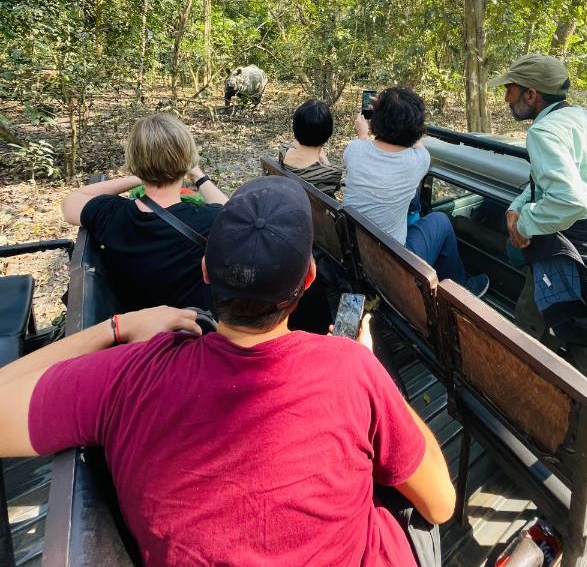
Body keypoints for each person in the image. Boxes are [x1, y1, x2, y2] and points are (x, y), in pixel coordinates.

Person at [1, 176, 455, 566]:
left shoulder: (133, 375)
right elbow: (440, 504)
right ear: (310, 278)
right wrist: (372, 371)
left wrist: (119, 327)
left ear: (204, 271)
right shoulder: (351, 370)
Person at [488, 53, 587, 390]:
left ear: (531, 94)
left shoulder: (544, 132)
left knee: (532, 336)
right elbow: (545, 185)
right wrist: (517, 207)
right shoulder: (583, 119)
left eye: (511, 90)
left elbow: (571, 200)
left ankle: (528, 403)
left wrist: (523, 225)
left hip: (579, 262)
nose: (506, 98)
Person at [61, 113, 228, 313]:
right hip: (194, 333)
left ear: (134, 162)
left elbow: (71, 201)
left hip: (138, 333)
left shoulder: (112, 214)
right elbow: (234, 213)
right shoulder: (207, 220)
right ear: (187, 161)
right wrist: (198, 175)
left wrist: (138, 177)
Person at [343, 87, 489, 298]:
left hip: (356, 253)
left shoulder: (354, 150)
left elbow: (366, 147)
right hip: (394, 265)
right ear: (416, 128)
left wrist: (364, 133)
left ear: (375, 119)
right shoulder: (419, 160)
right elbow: (416, 141)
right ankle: (462, 288)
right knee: (440, 220)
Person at [280, 98, 342, 196]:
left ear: (295, 129)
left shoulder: (283, 151)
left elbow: (291, 144)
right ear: (328, 133)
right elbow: (335, 187)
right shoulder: (330, 174)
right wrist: (325, 161)